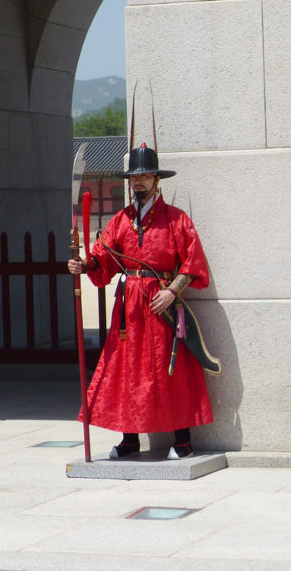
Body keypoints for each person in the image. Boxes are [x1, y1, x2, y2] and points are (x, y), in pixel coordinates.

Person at [67, 142, 216, 460]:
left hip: (162, 303)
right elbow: (102, 260)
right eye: (134, 177)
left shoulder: (176, 220)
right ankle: (130, 438)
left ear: (156, 180)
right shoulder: (120, 221)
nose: (138, 182)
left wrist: (172, 291)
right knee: (127, 369)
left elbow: (192, 264)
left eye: (145, 176)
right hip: (129, 308)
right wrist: (84, 264)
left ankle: (182, 439)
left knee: (170, 368)